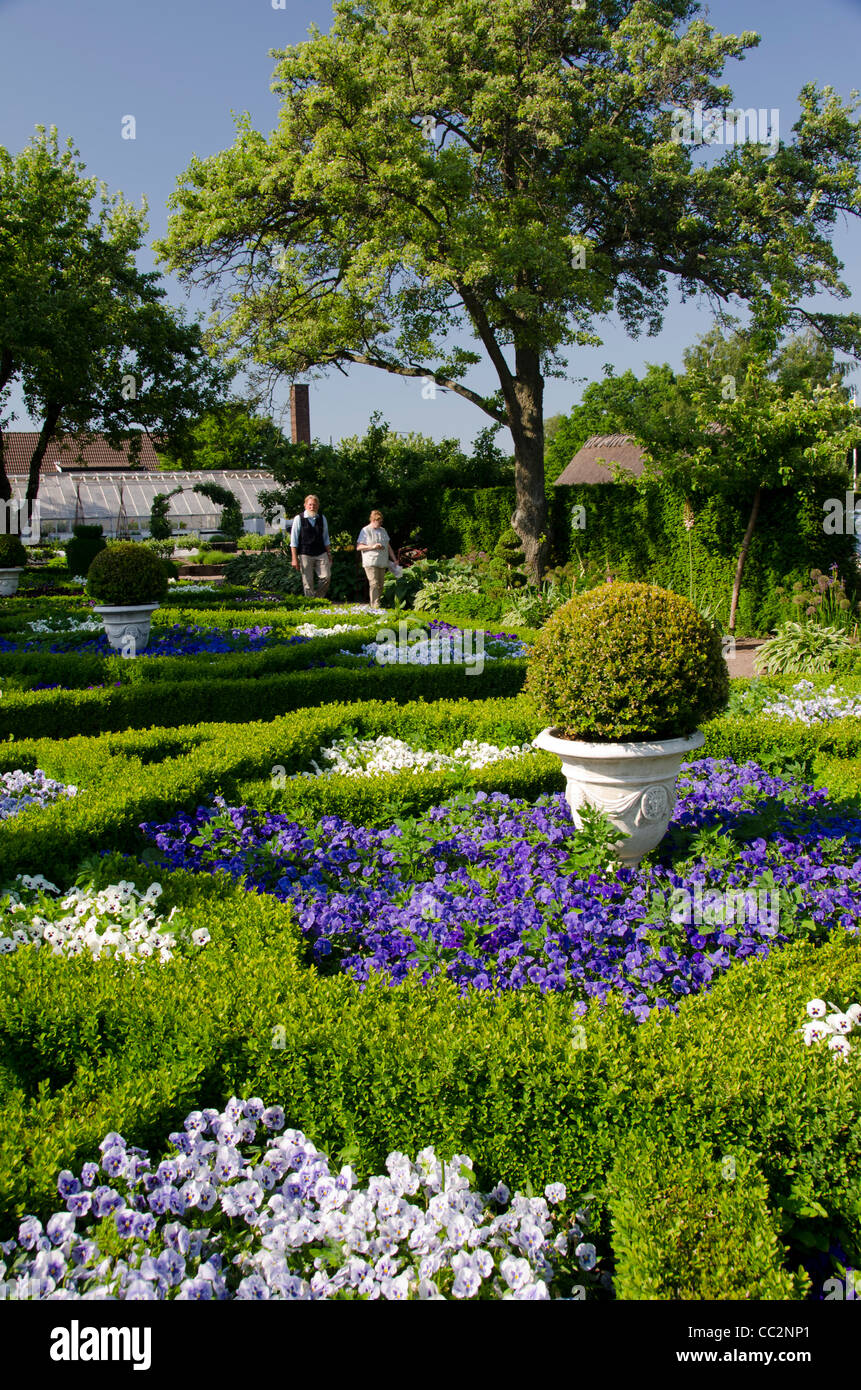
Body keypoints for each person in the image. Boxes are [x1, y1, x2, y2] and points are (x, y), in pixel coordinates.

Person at [290, 494, 332, 598]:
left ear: (318, 506)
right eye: (310, 505)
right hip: (305, 553)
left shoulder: (322, 518)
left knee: (326, 576)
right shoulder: (298, 519)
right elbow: (294, 541)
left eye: (314, 505)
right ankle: (310, 602)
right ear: (305, 505)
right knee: (307, 582)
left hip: (321, 552)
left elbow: (326, 538)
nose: (312, 507)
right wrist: (294, 558)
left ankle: (318, 598)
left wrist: (329, 554)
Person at [356, 509, 398, 609]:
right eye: (378, 521)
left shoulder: (383, 530)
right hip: (370, 562)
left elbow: (388, 546)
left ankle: (377, 603)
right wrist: (373, 547)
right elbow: (359, 547)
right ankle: (375, 605)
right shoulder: (365, 530)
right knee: (374, 583)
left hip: (382, 562)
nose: (380, 523)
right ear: (373, 520)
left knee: (381, 585)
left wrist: (394, 559)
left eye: (381, 522)